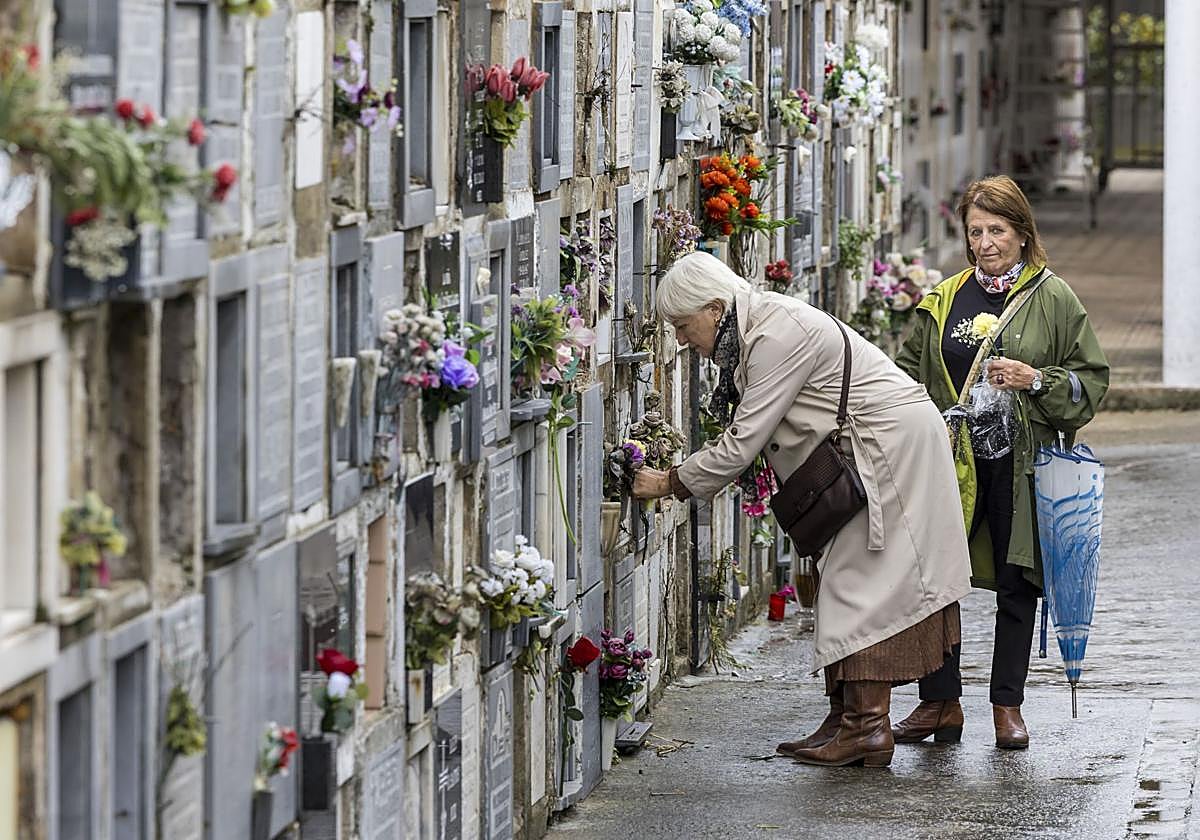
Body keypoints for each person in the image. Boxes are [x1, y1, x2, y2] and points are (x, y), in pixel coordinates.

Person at [631, 250, 972, 768]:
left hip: (888, 448)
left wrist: (671, 482)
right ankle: (846, 718)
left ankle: (867, 728)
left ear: (715, 308)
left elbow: (745, 440)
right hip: (866, 447)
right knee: (845, 578)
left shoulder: (775, 334)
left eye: (683, 325)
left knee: (864, 586)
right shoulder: (756, 327)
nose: (681, 339)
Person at [892, 175, 1109, 750]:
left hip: (1022, 465)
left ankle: (1006, 708)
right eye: (976, 232)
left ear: (1022, 234)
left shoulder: (1053, 297)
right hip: (953, 464)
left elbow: (1092, 380)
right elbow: (909, 374)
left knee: (1017, 583)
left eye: (998, 230)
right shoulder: (944, 298)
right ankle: (940, 702)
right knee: (936, 579)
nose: (986, 242)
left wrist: (1036, 378)